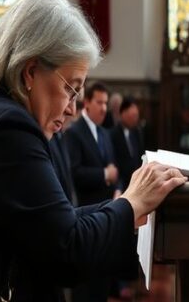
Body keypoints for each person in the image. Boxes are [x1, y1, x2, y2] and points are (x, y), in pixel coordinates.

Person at [0, 0, 184, 301]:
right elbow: (66, 250)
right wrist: (131, 203)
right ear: (30, 72)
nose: (71, 108)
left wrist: (124, 210)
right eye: (71, 88)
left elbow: (50, 223)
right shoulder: (6, 126)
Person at [65, 81, 119, 302]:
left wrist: (117, 190)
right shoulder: (74, 133)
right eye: (99, 102)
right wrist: (104, 175)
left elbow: (115, 168)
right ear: (86, 103)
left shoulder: (104, 133)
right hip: (85, 213)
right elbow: (74, 173)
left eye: (106, 103)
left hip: (107, 212)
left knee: (102, 282)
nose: (104, 108)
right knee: (86, 286)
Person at [111, 97, 145, 188]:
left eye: (137, 116)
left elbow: (140, 156)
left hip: (136, 182)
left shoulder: (136, 133)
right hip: (121, 184)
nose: (136, 119)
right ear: (123, 113)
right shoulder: (113, 134)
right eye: (133, 116)